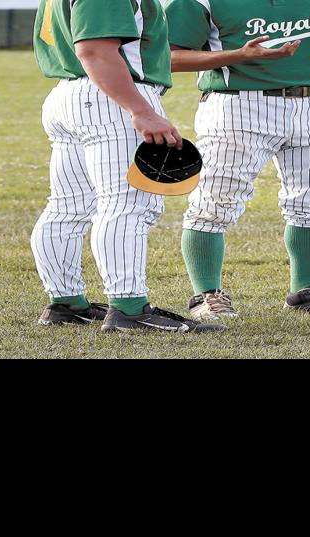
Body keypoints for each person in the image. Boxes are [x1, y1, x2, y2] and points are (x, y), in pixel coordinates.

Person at [163, 0, 310, 321]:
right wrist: (239, 55)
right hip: (238, 104)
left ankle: (307, 292)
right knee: (214, 203)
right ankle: (206, 295)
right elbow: (168, 56)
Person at [30, 0, 224, 332]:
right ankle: (129, 308)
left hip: (74, 93)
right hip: (109, 96)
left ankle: (66, 303)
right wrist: (141, 109)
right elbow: (95, 51)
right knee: (128, 205)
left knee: (68, 206)